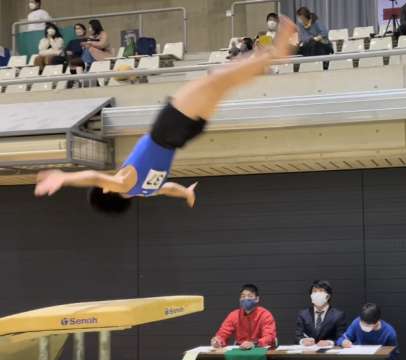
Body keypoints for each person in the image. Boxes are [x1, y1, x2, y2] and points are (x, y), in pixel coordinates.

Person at [34, 17, 297, 214]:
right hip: (167, 129)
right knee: (218, 79)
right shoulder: (122, 183)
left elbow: (170, 188)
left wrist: (186, 193)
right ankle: (274, 55)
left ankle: (266, 58)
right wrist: (64, 177)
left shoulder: (145, 191)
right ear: (107, 192)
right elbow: (94, 177)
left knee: (222, 83)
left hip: (182, 136)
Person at [295, 280, 347, 347]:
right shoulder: (303, 314)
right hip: (308, 351)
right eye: (314, 291)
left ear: (328, 296)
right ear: (311, 296)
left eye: (321, 291)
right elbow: (298, 336)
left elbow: (341, 337)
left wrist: (330, 342)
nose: (317, 294)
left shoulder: (338, 315)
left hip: (329, 351)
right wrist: (302, 341)